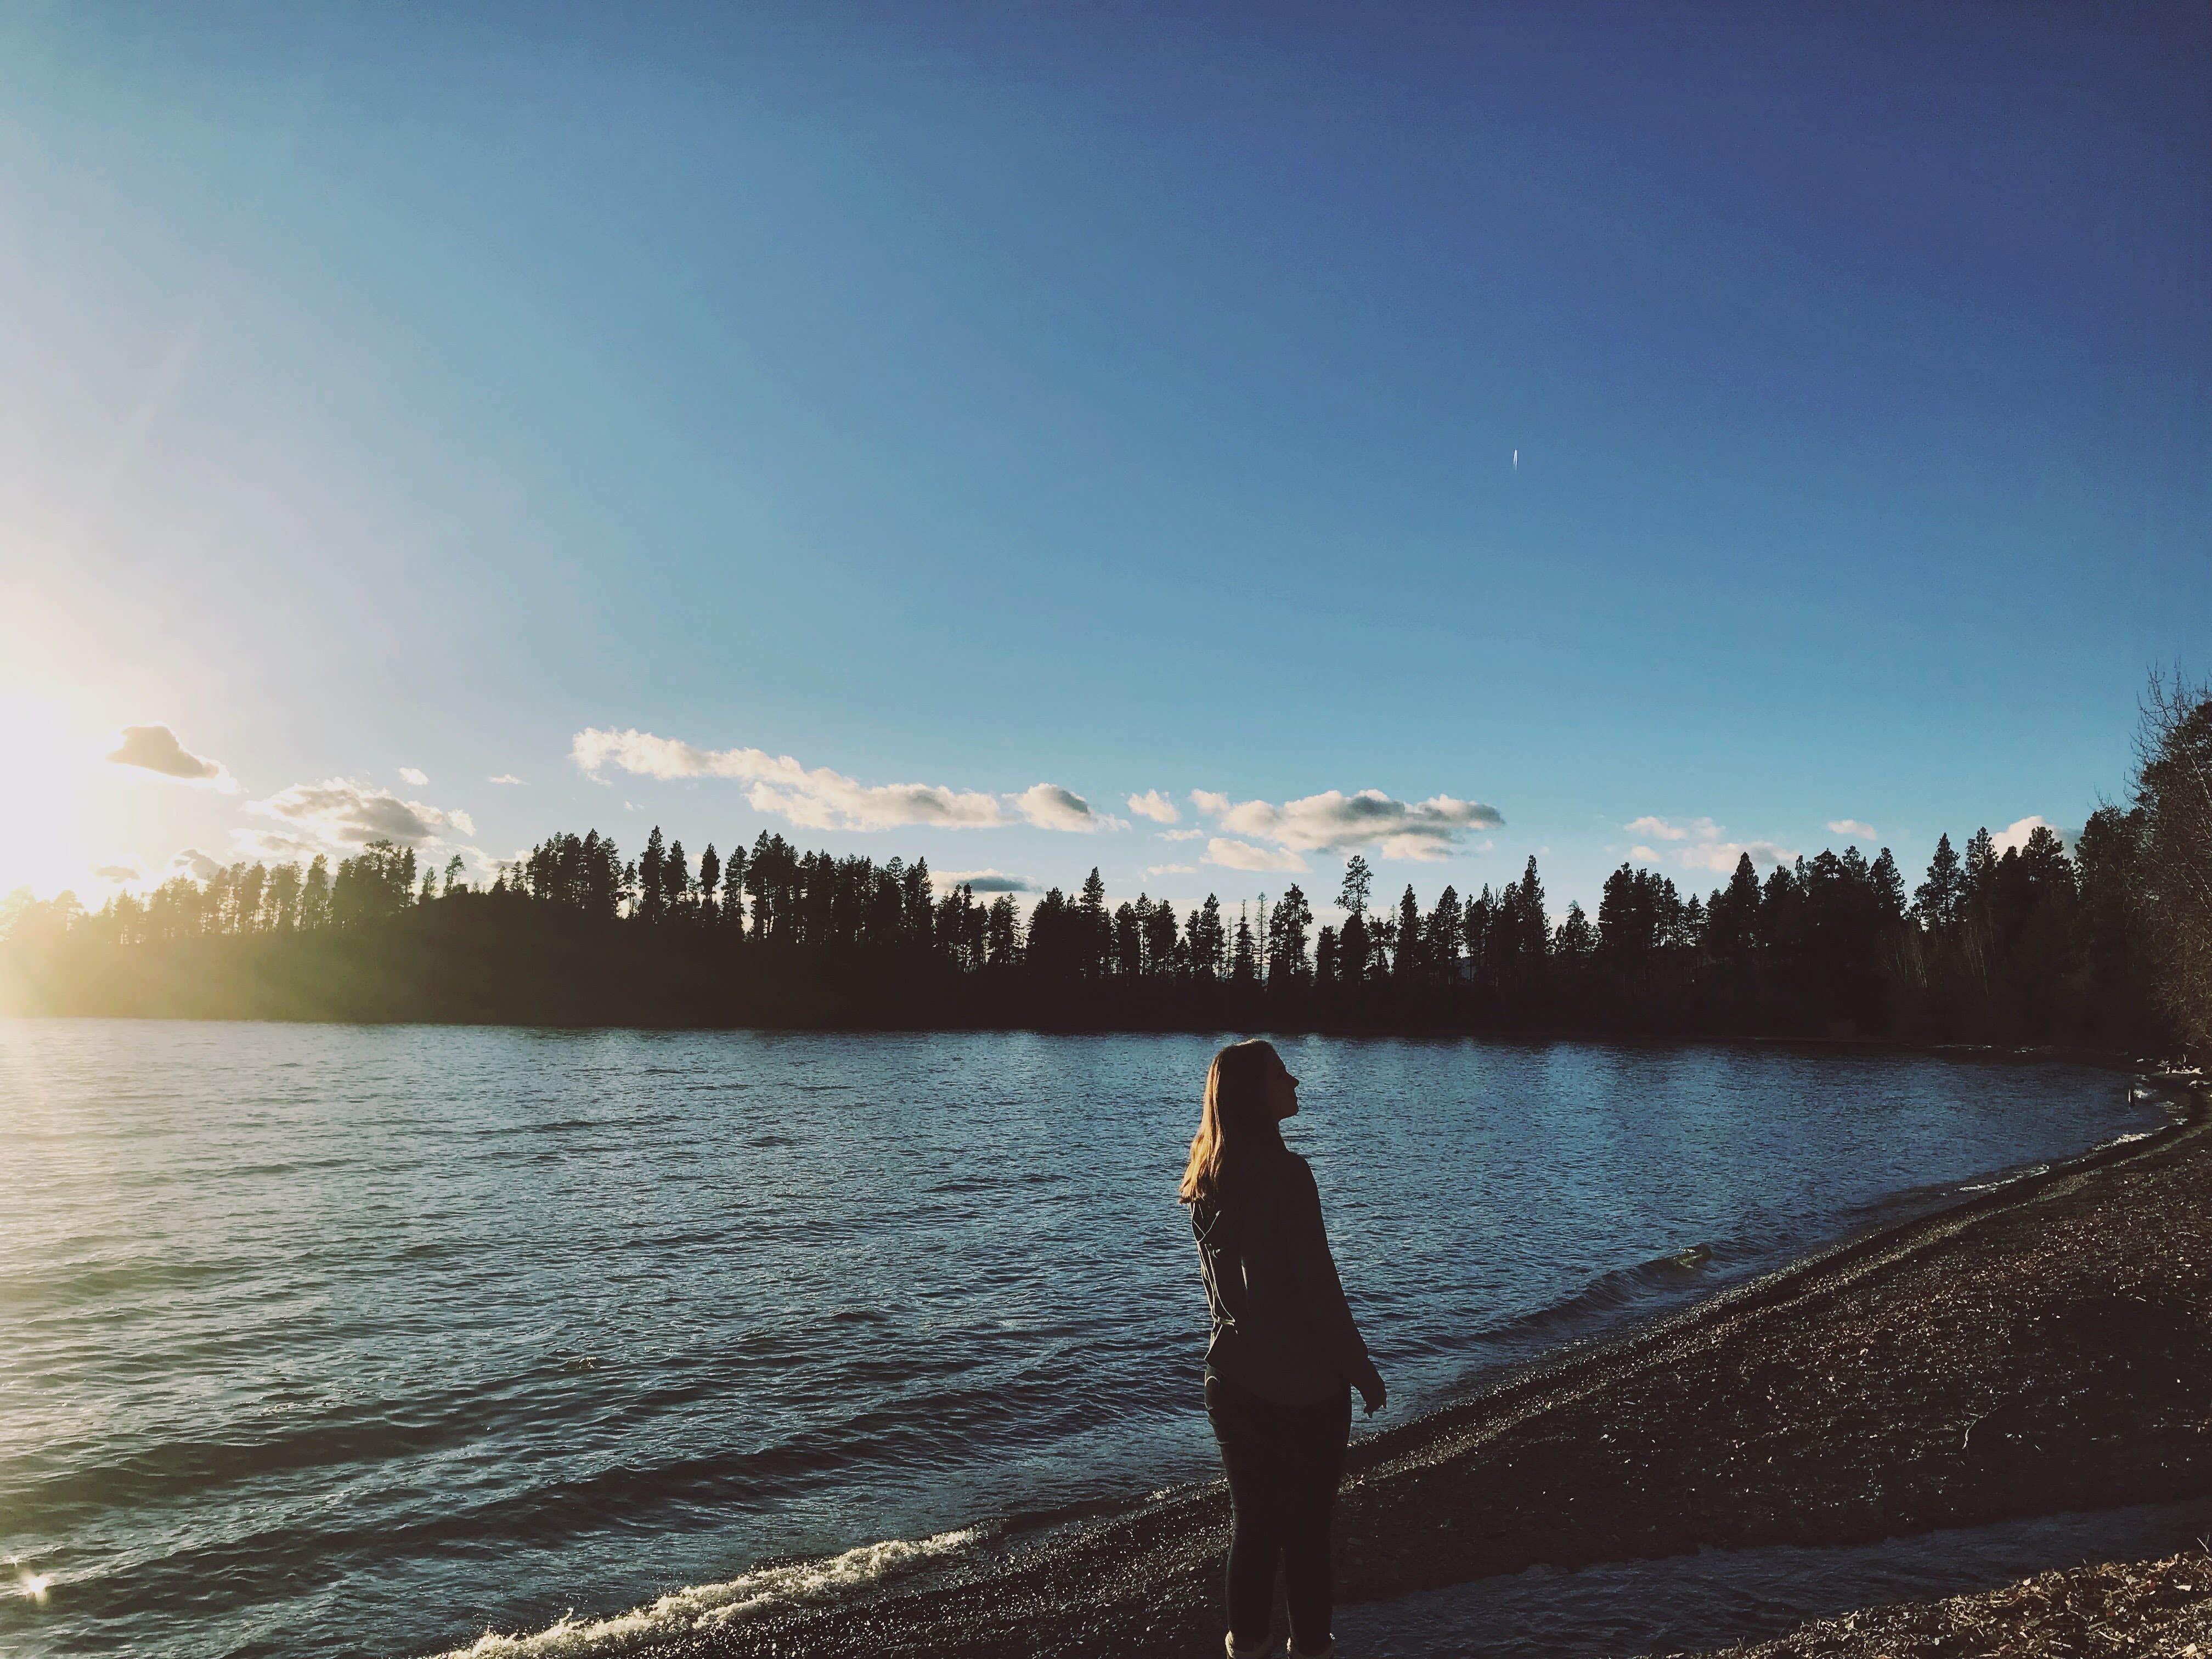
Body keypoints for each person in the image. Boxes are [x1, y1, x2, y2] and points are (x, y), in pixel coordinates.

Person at [1181, 1038, 1385, 1659]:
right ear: (1253, 1095)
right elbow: (1317, 1290)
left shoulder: (1206, 1179)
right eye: (1280, 1076)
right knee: (1306, 1537)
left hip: (1231, 1381)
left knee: (1254, 1530)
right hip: (1301, 1387)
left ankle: (1247, 1651)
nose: (1295, 1081)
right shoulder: (1288, 1176)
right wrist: (1361, 1370)